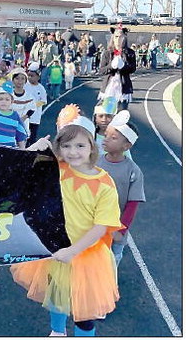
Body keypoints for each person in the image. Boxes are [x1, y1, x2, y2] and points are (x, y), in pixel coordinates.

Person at [11, 104, 122, 336]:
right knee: (56, 296)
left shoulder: (104, 183)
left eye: (80, 145)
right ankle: (57, 332)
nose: (73, 152)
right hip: (55, 248)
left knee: (85, 314)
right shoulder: (55, 169)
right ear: (58, 147)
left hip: (87, 257)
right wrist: (32, 150)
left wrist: (73, 251)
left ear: (92, 146)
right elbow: (16, 175)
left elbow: (101, 226)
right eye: (67, 145)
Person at [98, 110, 145, 266]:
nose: (106, 140)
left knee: (111, 263)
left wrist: (121, 230)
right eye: (106, 136)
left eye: (113, 138)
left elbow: (132, 205)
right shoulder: (95, 163)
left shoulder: (133, 171)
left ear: (127, 145)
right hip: (93, 225)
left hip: (115, 229)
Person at [98, 25, 136, 110]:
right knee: (108, 113)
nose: (118, 39)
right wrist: (111, 66)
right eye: (116, 37)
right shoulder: (107, 53)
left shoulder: (130, 53)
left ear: (124, 38)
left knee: (121, 115)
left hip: (123, 88)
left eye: (121, 37)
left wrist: (123, 66)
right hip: (109, 88)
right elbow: (101, 70)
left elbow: (133, 68)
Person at [10, 67, 37, 138]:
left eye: (22, 79)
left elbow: (32, 109)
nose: (20, 81)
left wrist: (24, 118)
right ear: (12, 80)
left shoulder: (29, 96)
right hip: (10, 121)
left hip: (23, 122)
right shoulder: (8, 95)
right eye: (17, 78)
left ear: (25, 81)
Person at [25, 62, 47, 146]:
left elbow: (44, 101)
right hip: (25, 116)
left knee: (32, 136)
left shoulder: (41, 88)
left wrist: (34, 105)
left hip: (35, 117)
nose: (30, 78)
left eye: (32, 76)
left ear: (38, 76)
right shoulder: (25, 85)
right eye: (29, 75)